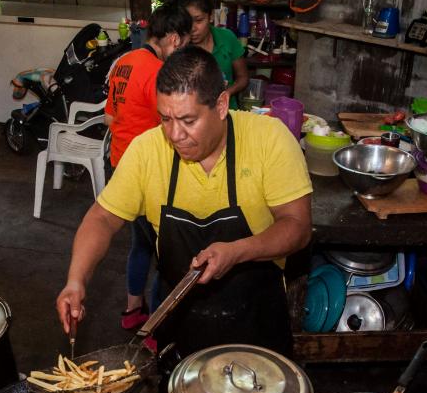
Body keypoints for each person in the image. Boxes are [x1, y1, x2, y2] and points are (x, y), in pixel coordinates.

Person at [56, 46, 312, 357]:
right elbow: (101, 218)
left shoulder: (269, 139)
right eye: (165, 119)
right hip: (180, 334)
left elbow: (297, 227)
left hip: (256, 331)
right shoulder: (147, 151)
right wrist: (75, 280)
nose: (175, 134)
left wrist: (237, 251)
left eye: (188, 120)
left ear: (220, 105)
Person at [105, 0, 191, 331]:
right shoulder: (158, 73)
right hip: (146, 173)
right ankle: (155, 327)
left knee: (139, 243)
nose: (182, 46)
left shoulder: (125, 62)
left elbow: (109, 115)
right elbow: (172, 127)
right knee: (165, 254)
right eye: (183, 40)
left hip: (119, 164)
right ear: (173, 38)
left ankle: (132, 311)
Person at [179, 0, 249, 110]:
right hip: (195, 115)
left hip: (228, 111)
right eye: (187, 22)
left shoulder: (227, 38)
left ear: (211, 17)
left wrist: (227, 93)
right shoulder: (180, 46)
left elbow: (243, 77)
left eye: (199, 20)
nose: (192, 28)